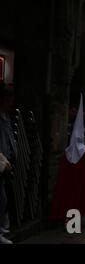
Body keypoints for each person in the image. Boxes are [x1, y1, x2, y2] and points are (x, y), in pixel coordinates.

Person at [51, 94, 85, 228]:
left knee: (69, 197)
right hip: (81, 182)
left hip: (69, 182)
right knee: (78, 198)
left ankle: (67, 220)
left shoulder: (67, 151)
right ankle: (73, 223)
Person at [0, 82, 14, 244]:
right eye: (9, 99)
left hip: (6, 160)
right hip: (1, 160)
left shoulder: (7, 117)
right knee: (2, 197)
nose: (11, 102)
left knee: (4, 196)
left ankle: (3, 227)